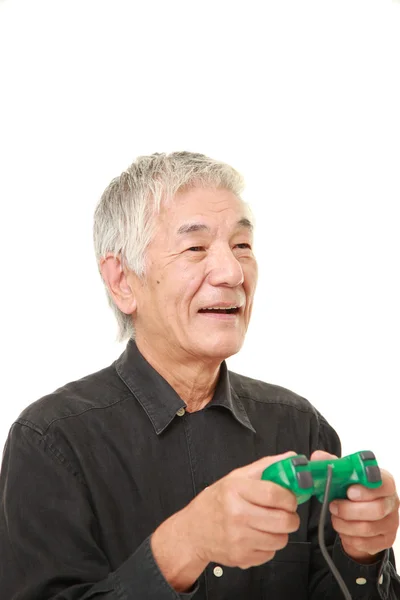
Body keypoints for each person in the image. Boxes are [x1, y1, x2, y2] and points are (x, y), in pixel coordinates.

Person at [0, 152, 399, 600]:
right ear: (122, 281)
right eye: (195, 248)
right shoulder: (50, 442)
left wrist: (364, 554)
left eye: (242, 246)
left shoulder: (300, 427)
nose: (232, 273)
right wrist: (184, 545)